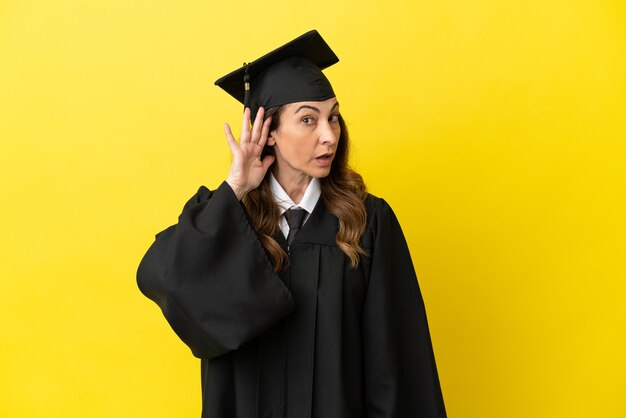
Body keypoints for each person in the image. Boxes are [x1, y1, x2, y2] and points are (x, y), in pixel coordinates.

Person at [137, 30, 446, 418]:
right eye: (307, 119)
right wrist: (235, 189)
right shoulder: (229, 218)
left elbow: (397, 363)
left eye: (333, 118)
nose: (328, 135)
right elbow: (166, 278)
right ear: (269, 132)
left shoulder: (368, 221)